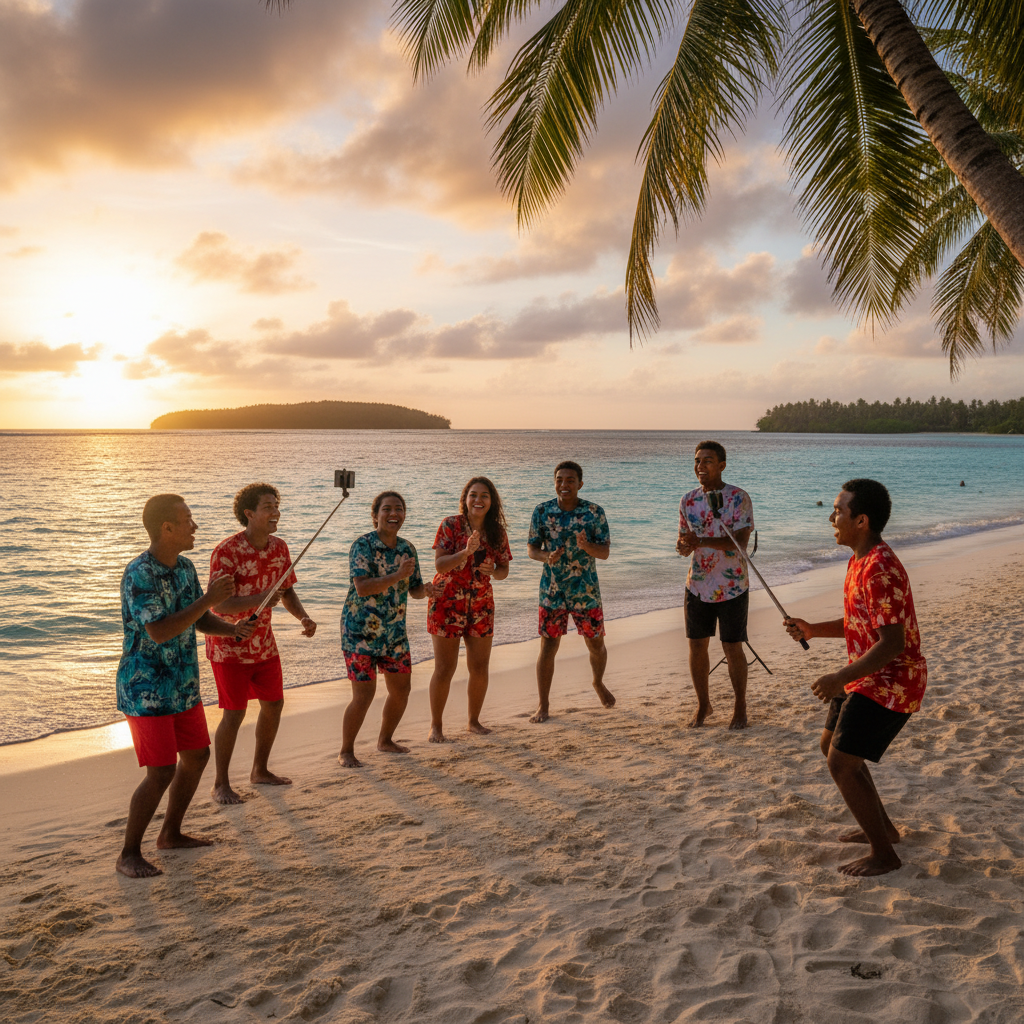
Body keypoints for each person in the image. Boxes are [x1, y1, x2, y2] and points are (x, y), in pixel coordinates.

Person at [784, 479, 927, 877]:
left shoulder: (879, 567)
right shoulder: (859, 559)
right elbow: (860, 622)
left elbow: (892, 644)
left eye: (838, 511)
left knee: (842, 763)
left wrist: (838, 677)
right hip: (867, 675)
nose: (831, 518)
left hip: (893, 680)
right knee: (831, 745)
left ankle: (885, 855)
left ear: (861, 520)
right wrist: (812, 629)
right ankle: (884, 830)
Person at [115, 494, 254, 878]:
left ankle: (171, 834)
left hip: (183, 684)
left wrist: (230, 629)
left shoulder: (186, 567)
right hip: (146, 687)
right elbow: (159, 631)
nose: (195, 526)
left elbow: (198, 618)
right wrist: (210, 599)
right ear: (167, 528)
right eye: (188, 519)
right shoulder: (139, 573)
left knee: (196, 757)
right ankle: (128, 853)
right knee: (159, 771)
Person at [205, 483, 317, 805]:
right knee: (234, 713)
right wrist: (262, 599)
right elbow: (217, 606)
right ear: (249, 513)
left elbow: (287, 591)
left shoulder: (280, 548)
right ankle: (221, 784)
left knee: (274, 705)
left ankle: (260, 770)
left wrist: (303, 618)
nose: (275, 512)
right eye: (268, 507)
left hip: (264, 644)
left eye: (276, 506)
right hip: (230, 645)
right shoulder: (226, 551)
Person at [339, 491, 434, 766]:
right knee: (363, 695)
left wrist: (427, 590)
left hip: (394, 632)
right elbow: (362, 586)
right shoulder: (363, 546)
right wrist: (396, 576)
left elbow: (413, 587)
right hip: (359, 632)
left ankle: (385, 740)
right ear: (375, 515)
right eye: (387, 509)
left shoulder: (408, 548)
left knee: (401, 690)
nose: (394, 514)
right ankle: (346, 750)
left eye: (399, 509)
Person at [527, 461, 615, 723]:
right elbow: (532, 549)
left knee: (596, 644)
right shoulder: (542, 511)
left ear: (580, 484)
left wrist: (587, 545)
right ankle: (543, 705)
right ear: (554, 482)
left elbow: (605, 552)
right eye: (559, 479)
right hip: (552, 590)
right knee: (548, 647)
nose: (564, 484)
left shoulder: (593, 512)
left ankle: (598, 682)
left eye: (570, 480)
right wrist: (546, 556)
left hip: (585, 590)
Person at [426, 477, 512, 742]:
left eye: (484, 495)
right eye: (473, 495)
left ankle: (473, 722)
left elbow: (504, 570)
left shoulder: (496, 532)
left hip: (481, 604)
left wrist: (493, 570)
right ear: (465, 499)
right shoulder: (450, 525)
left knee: (480, 666)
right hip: (446, 603)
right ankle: (436, 727)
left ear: (492, 501)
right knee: (444, 669)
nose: (478, 500)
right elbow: (440, 566)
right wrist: (465, 553)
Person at [676, 440, 754, 729]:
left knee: (732, 646)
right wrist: (684, 546)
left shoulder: (738, 498)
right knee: (696, 647)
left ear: (721, 465)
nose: (700, 466)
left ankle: (740, 706)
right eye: (697, 461)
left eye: (707, 461)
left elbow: (740, 542)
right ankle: (703, 705)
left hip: (732, 584)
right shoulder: (688, 500)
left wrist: (702, 541)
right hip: (697, 584)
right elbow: (684, 538)